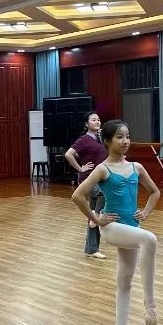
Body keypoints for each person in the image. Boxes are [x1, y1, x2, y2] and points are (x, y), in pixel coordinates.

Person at [71, 120, 160, 325]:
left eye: (127, 136)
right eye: (120, 137)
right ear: (107, 141)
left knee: (125, 281)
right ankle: (150, 303)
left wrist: (146, 212)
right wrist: (95, 218)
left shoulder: (137, 167)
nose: (125, 141)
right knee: (149, 239)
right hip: (112, 228)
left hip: (131, 228)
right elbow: (78, 195)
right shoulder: (103, 169)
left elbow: (155, 192)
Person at [64, 111, 108, 259]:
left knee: (93, 215)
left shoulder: (101, 139)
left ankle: (92, 249)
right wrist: (80, 168)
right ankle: (96, 216)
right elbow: (69, 154)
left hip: (101, 178)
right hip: (88, 179)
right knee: (103, 194)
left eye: (99, 119)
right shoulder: (83, 140)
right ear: (86, 124)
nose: (97, 122)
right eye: (94, 120)